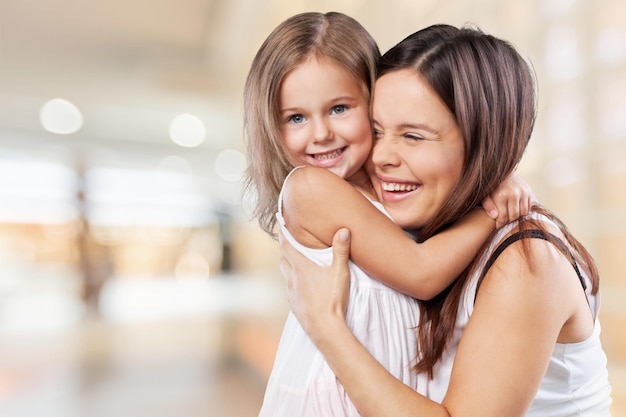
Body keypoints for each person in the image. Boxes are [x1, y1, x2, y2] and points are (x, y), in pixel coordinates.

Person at [279, 24, 613, 417]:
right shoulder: (424, 235)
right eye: (376, 131)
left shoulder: (527, 261)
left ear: (482, 142)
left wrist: (326, 328)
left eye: (413, 136)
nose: (382, 156)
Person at [243, 12, 535, 417]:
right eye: (296, 118)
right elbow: (421, 273)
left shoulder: (390, 189)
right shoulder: (311, 189)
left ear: (372, 98)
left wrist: (492, 175)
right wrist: (492, 208)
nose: (321, 133)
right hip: (328, 401)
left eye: (340, 108)